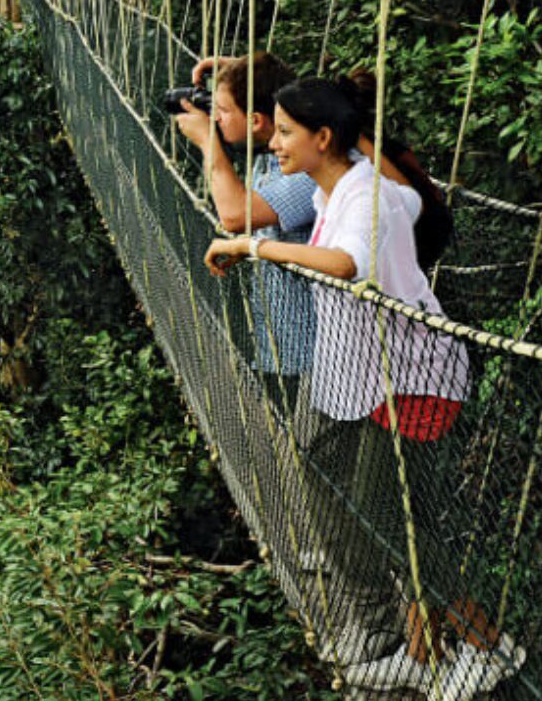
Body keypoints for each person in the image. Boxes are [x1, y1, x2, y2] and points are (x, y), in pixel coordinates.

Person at [203, 77, 523, 698]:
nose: (275, 145)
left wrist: (255, 245)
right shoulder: (341, 190)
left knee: (390, 518)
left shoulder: (363, 197)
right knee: (398, 519)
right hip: (385, 381)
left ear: (324, 137)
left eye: (288, 132)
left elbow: (348, 262)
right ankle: (424, 653)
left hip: (415, 382)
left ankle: (488, 646)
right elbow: (408, 203)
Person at [172, 51, 318, 379]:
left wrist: (208, 142)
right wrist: (241, 72)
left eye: (222, 111)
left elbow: (235, 216)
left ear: (256, 120)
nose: (215, 118)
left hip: (315, 360)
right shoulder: (271, 155)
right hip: (279, 346)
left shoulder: (310, 170)